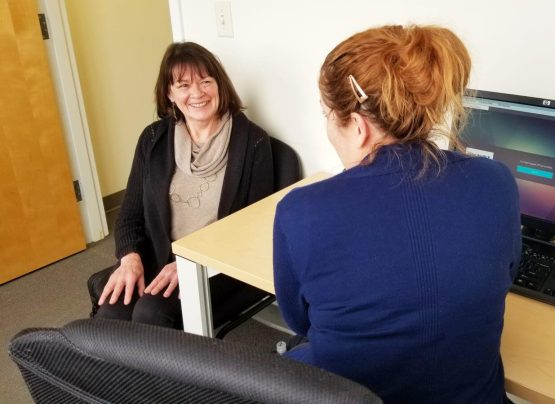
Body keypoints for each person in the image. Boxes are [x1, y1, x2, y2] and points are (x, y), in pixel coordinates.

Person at [273, 25, 521, 403]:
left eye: (327, 114)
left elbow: (300, 321)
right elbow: (507, 275)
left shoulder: (301, 211)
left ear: (357, 127)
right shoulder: (496, 181)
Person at [96, 42, 273, 329]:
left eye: (206, 81)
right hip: (157, 254)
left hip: (215, 264)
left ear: (220, 85)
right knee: (112, 310)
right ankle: (122, 376)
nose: (197, 93)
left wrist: (191, 263)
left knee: (152, 314)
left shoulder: (252, 142)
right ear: (169, 94)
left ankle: (165, 376)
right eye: (183, 85)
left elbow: (252, 230)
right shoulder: (153, 138)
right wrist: (129, 258)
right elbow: (130, 213)